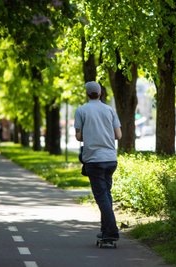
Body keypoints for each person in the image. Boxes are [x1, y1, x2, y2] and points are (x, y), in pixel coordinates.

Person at [74, 81, 122, 240]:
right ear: (100, 93)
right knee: (106, 195)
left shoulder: (81, 110)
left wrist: (89, 132)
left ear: (87, 94)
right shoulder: (110, 110)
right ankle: (105, 230)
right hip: (110, 159)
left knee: (101, 196)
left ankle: (112, 231)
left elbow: (79, 137)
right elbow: (118, 135)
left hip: (94, 160)